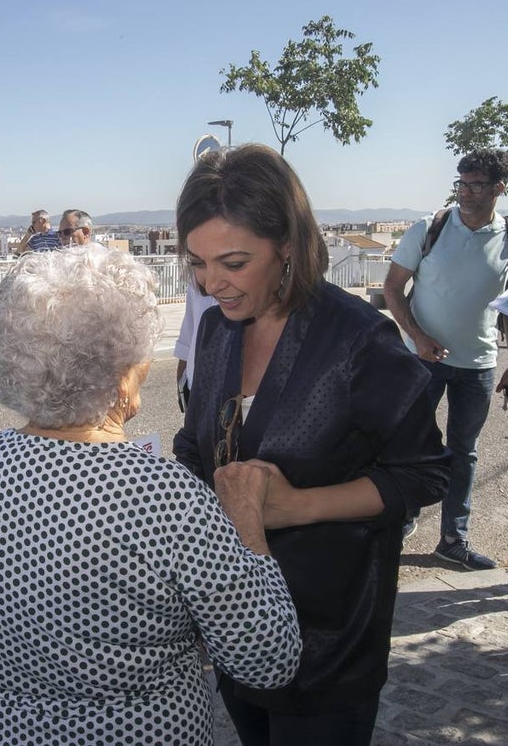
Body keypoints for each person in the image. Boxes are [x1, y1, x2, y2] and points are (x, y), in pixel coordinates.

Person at [0, 245, 300, 745]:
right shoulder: (165, 496)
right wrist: (246, 524)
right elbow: (268, 657)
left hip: (1, 730)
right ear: (119, 373)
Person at [173, 144, 449, 745]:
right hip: (234, 619)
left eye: (233, 262)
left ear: (289, 247)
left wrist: (299, 505)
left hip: (326, 634)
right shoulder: (218, 328)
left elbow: (426, 474)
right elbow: (197, 446)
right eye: (196, 262)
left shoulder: (359, 339)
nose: (209, 282)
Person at [384, 148, 508, 570]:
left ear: (499, 189)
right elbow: (393, 288)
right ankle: (404, 516)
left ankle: (453, 540)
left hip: (479, 365)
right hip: (422, 361)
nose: (465, 192)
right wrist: (418, 336)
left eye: (476, 185)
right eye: (461, 183)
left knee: (464, 452)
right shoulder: (429, 228)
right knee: (410, 444)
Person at [174, 276, 218, 411]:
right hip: (195, 380)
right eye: (197, 263)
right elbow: (190, 325)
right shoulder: (195, 278)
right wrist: (182, 375)